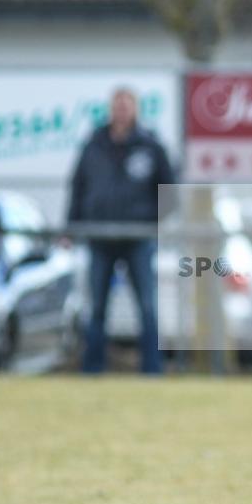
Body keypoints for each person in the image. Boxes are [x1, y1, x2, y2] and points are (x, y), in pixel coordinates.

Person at [67, 88, 176, 374]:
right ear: (111, 109)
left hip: (138, 239)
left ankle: (152, 370)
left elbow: (170, 192)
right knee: (97, 308)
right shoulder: (93, 145)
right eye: (118, 105)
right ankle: (93, 370)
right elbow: (78, 186)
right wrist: (71, 226)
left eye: (127, 105)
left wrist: (149, 221)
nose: (122, 110)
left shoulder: (151, 146)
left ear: (136, 109)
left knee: (147, 307)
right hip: (100, 238)